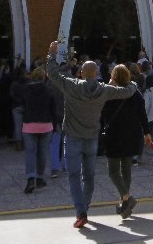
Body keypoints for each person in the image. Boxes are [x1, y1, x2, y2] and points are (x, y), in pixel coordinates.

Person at [45, 41, 135, 229]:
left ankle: (81, 212)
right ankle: (84, 208)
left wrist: (52, 54)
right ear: (97, 73)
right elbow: (127, 91)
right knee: (89, 177)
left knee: (73, 176)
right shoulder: (104, 90)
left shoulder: (71, 85)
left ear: (81, 73)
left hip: (72, 137)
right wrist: (133, 82)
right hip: (92, 138)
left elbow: (52, 74)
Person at [101, 64, 150, 218]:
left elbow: (101, 113)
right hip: (132, 135)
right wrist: (147, 132)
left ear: (114, 77)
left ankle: (126, 198)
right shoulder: (135, 93)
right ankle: (124, 203)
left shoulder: (110, 93)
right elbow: (143, 114)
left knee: (113, 171)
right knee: (126, 169)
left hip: (114, 136)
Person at [17, 66, 55, 194]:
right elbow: (53, 109)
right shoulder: (48, 90)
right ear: (44, 77)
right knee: (42, 153)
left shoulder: (25, 90)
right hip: (45, 124)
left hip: (29, 124)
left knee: (30, 152)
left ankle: (30, 178)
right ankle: (39, 177)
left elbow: (22, 105)